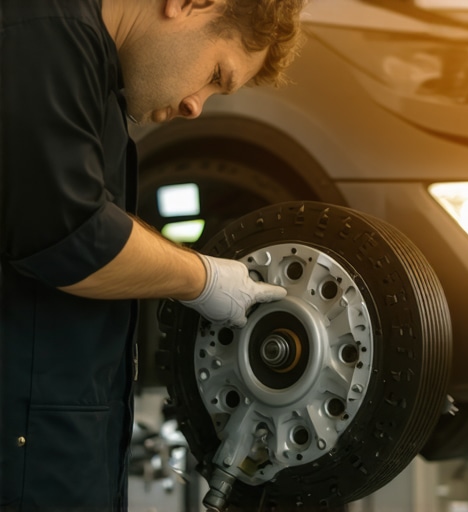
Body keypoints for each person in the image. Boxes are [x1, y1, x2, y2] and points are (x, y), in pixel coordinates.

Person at [0, 0, 305, 509]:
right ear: (190, 3)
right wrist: (203, 279)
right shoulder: (42, 32)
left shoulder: (93, 75)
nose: (195, 106)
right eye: (214, 74)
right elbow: (69, 236)